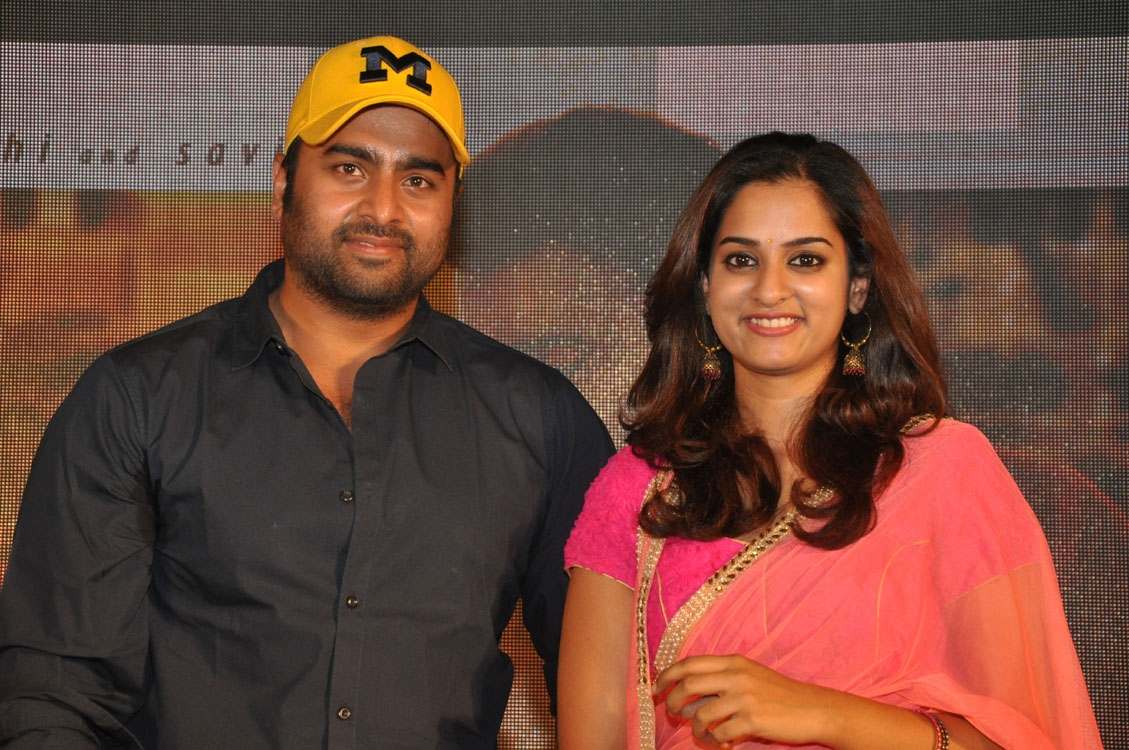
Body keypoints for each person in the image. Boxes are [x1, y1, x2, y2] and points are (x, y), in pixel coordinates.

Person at [0, 35, 612, 749]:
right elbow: (54, 694)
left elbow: (614, 687)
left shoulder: (539, 417)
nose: (383, 208)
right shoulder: (138, 396)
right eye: (350, 168)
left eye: (418, 180)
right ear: (283, 181)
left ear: (453, 203)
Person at [558, 133, 1101, 748]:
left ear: (857, 286)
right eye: (740, 260)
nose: (770, 289)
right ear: (705, 285)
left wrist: (824, 714)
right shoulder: (639, 490)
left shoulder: (944, 470)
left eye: (806, 260)